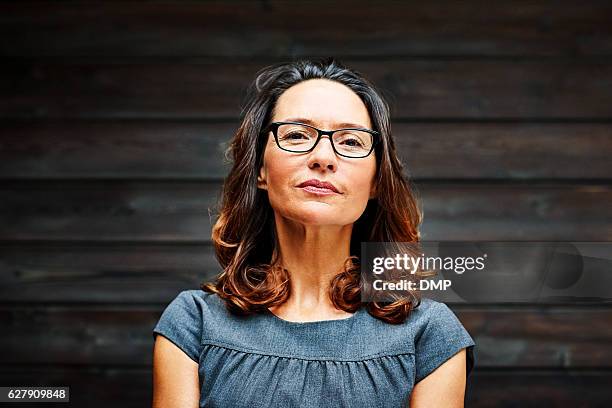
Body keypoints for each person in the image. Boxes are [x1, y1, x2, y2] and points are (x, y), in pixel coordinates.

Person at [152, 57, 475, 408]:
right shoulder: (193, 323)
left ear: (376, 182)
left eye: (351, 141)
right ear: (260, 169)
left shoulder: (429, 333)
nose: (323, 157)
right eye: (296, 135)